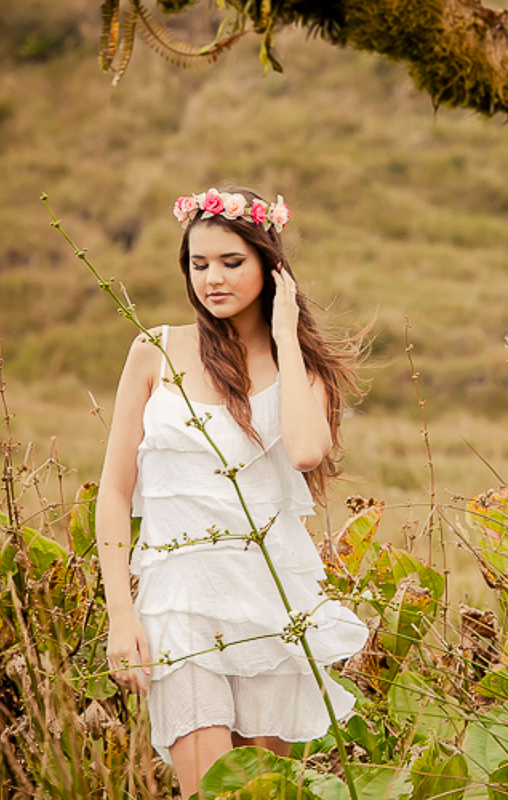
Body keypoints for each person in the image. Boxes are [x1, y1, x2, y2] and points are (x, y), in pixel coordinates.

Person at [95, 187, 369, 798]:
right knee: (210, 791)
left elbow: (305, 452)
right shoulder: (154, 351)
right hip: (181, 605)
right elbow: (114, 490)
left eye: (231, 262)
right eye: (199, 264)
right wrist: (121, 615)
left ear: (271, 267)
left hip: (271, 608)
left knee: (261, 792)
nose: (212, 279)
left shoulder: (301, 370)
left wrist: (287, 336)